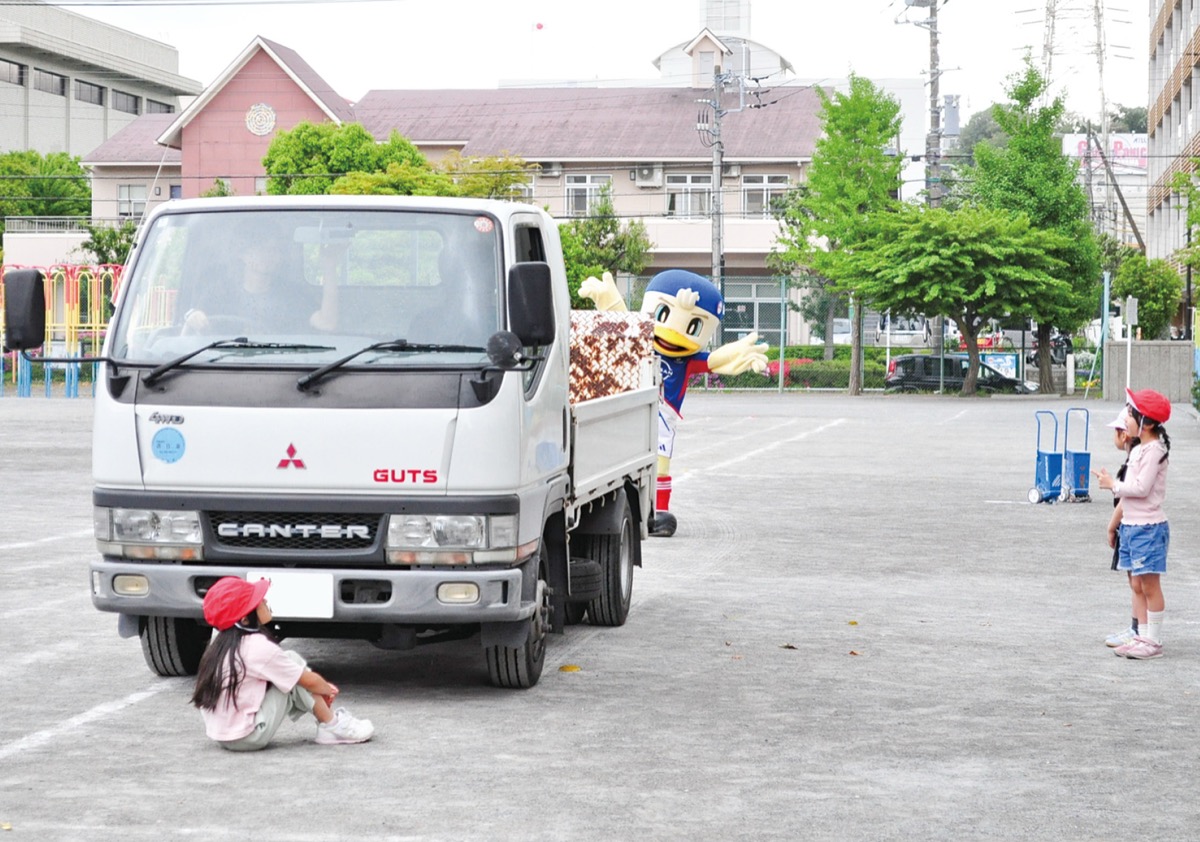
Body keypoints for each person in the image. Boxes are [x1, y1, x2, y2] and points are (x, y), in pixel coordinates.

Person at [190, 576, 374, 750]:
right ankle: (331, 725)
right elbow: (308, 681)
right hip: (248, 737)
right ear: (245, 618)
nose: (266, 602)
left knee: (289, 669)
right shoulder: (256, 646)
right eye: (259, 601)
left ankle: (329, 722)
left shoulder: (219, 645)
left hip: (222, 735)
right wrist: (326, 688)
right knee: (293, 666)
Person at [1094, 388, 1172, 660]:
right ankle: (1142, 635)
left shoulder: (1154, 451)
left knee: (1150, 586)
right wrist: (1115, 524)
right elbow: (1130, 494)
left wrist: (1112, 485)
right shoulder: (1140, 450)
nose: (1125, 419)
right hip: (1133, 527)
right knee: (1138, 585)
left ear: (1147, 423)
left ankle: (1153, 641)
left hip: (1148, 529)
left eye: (1130, 414)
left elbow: (1140, 488)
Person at [182, 241, 339, 334]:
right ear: (242, 254)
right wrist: (193, 317)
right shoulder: (219, 293)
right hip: (223, 371)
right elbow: (189, 335)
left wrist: (330, 266)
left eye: (275, 250)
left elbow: (327, 323)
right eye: (261, 248)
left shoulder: (291, 295)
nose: (269, 255)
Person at [1102, 408, 1140, 649]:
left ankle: (1139, 630)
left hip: (1131, 527)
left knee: (1136, 581)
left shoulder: (1134, 462)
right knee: (1134, 581)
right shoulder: (1132, 459)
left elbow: (1126, 501)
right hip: (1130, 527)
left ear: (1124, 435)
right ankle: (1137, 628)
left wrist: (1111, 526)